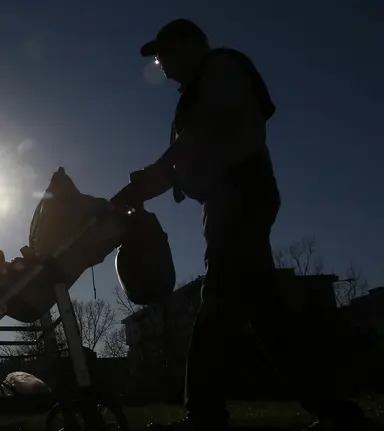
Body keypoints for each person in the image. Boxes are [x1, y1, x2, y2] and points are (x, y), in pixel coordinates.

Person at [112, 19, 379, 431]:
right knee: (267, 314)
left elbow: (199, 138)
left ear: (190, 45)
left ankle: (204, 414)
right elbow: (182, 161)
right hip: (224, 202)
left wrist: (153, 175)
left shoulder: (222, 69)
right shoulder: (193, 95)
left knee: (218, 299)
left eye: (164, 53)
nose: (161, 64)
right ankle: (334, 409)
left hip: (242, 191)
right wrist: (139, 190)